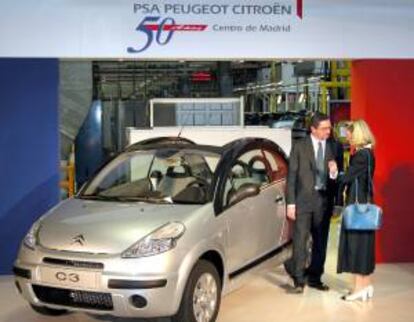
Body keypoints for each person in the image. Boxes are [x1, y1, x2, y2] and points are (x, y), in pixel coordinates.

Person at [286, 112, 338, 294]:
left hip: (323, 202)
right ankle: (299, 279)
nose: (328, 132)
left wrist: (333, 173)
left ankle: (315, 277)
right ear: (313, 129)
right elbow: (291, 176)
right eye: (324, 128)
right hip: (302, 201)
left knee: (320, 243)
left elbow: (336, 178)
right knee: (300, 241)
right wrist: (290, 203)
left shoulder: (332, 146)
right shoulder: (300, 146)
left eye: (329, 128)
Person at [336, 120, 377, 301]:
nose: (348, 137)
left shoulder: (361, 155)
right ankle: (366, 285)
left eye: (350, 134)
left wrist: (334, 172)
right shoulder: (369, 153)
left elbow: (346, 178)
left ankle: (359, 289)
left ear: (358, 134)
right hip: (365, 205)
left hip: (356, 206)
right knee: (364, 246)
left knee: (356, 246)